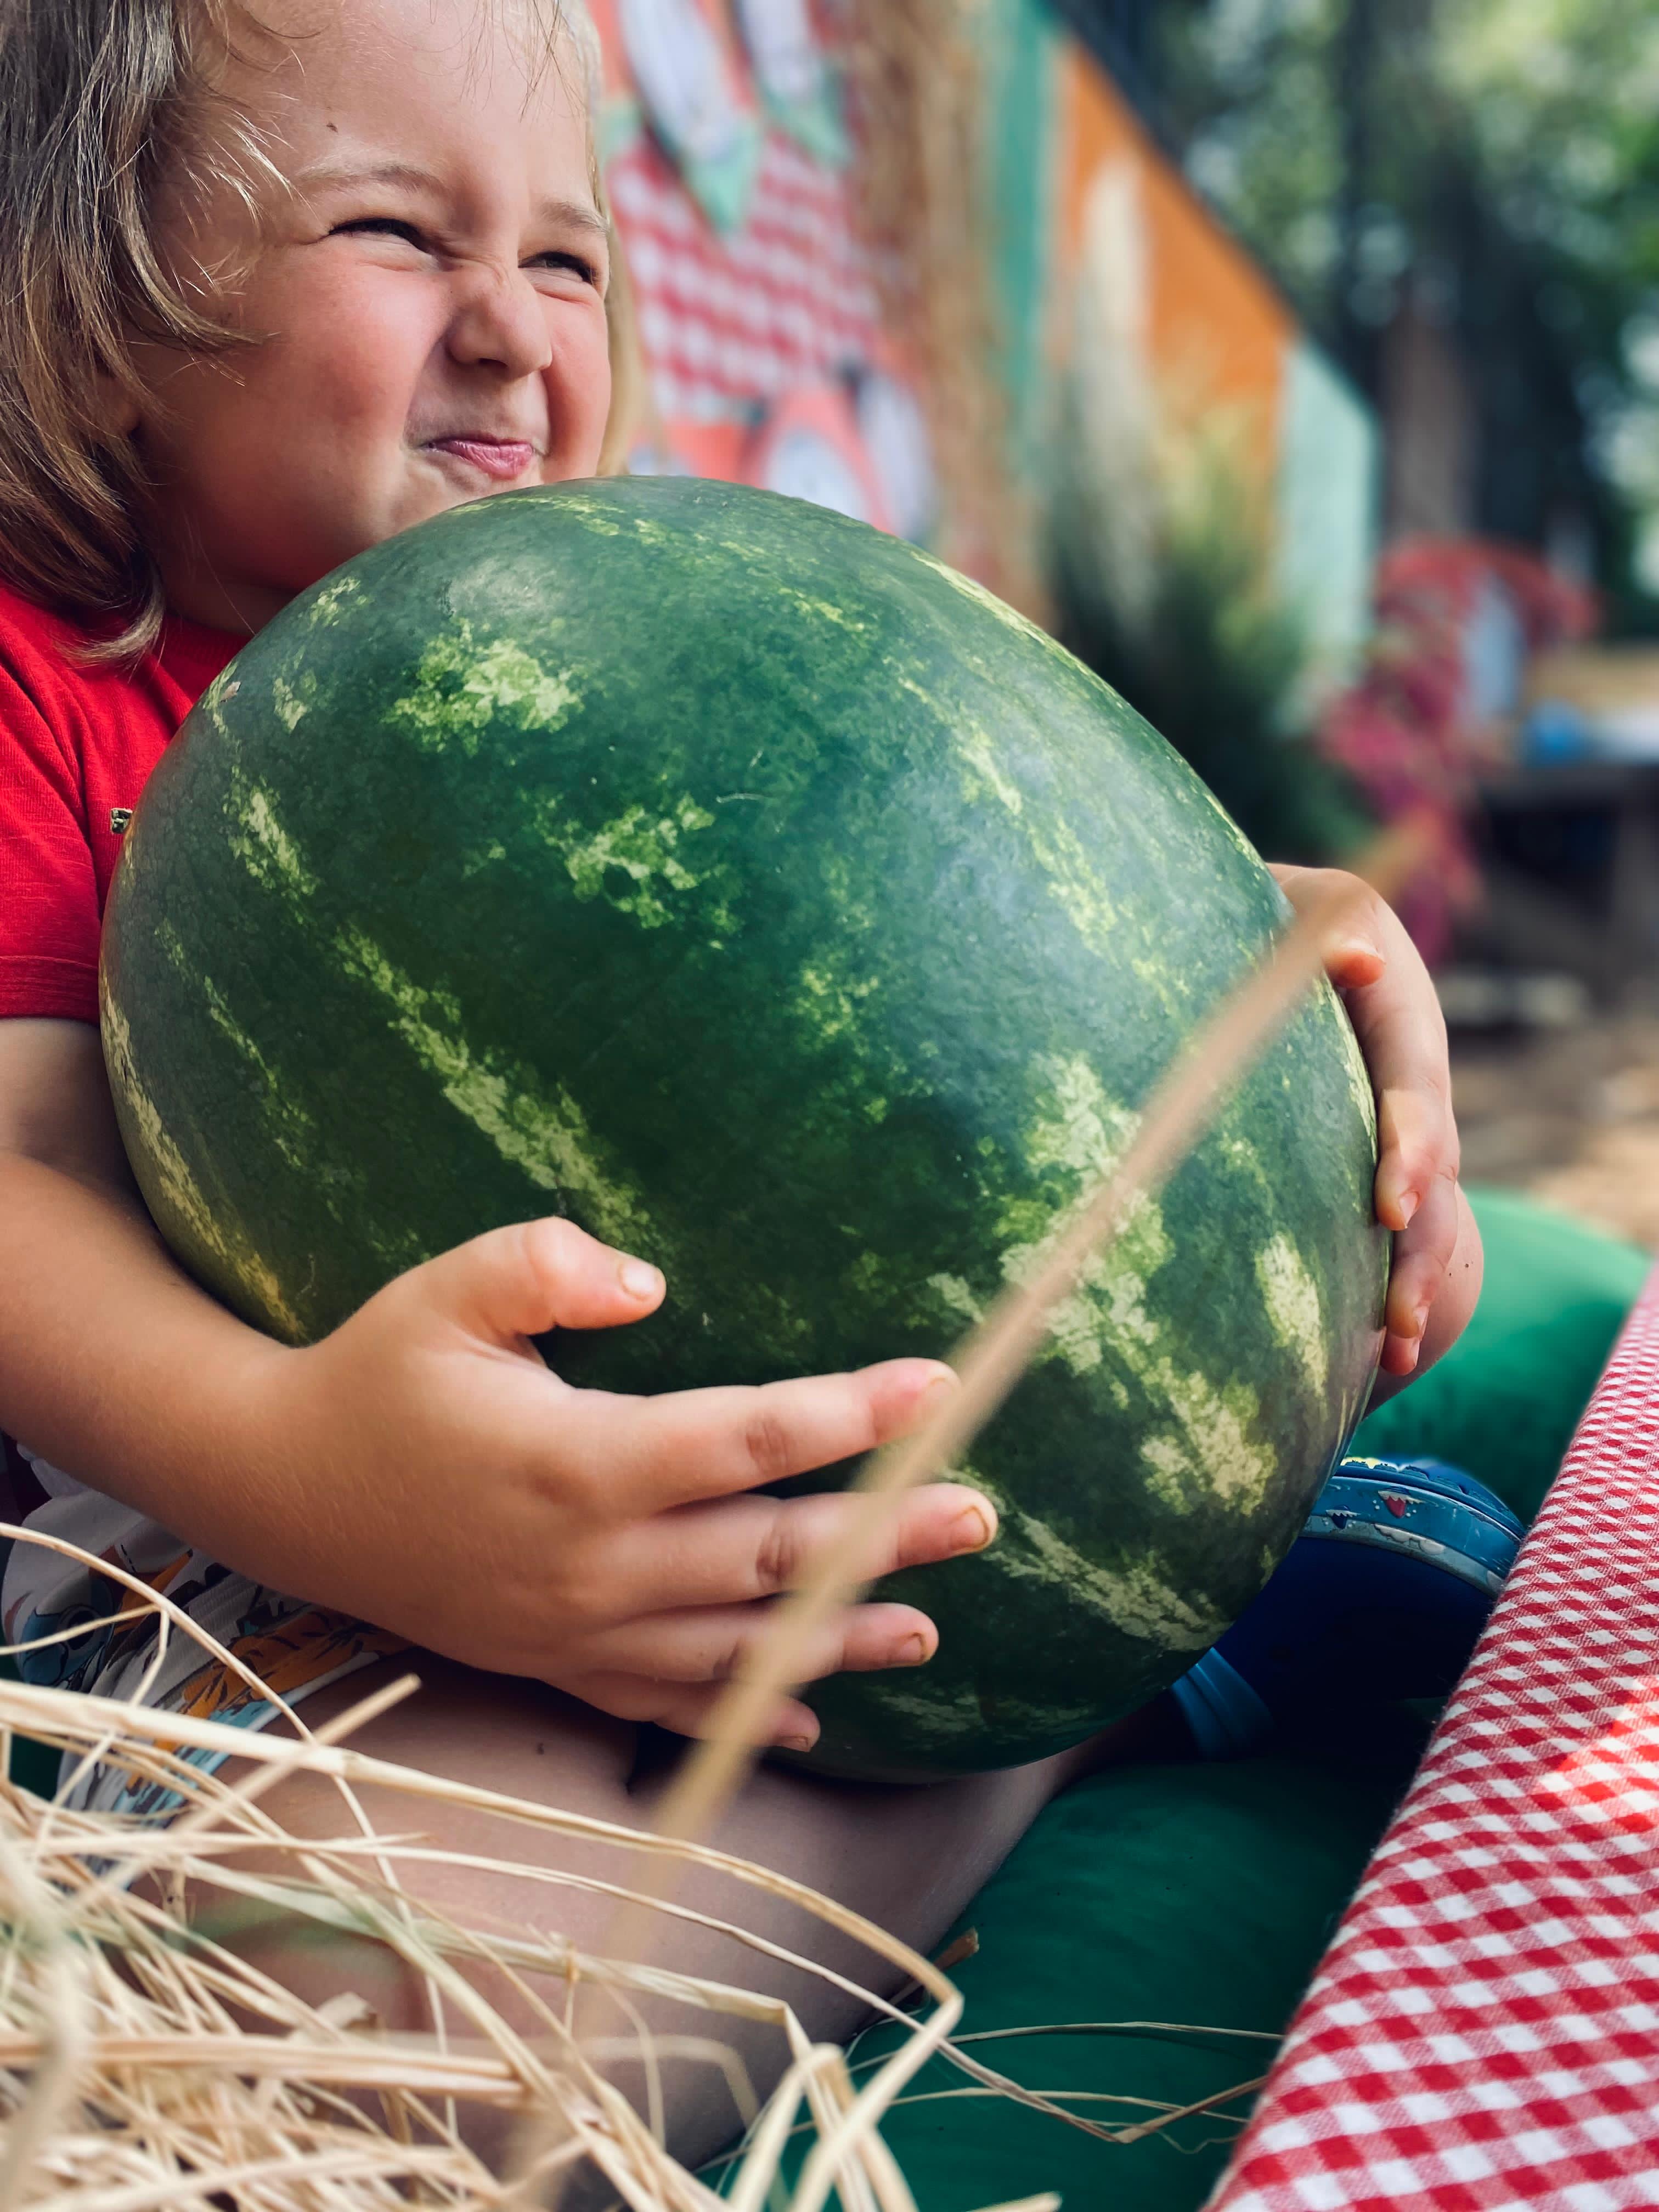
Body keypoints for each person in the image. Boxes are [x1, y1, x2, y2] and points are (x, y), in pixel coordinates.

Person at [0, 0, 1483, 2171]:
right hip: (245, 1581)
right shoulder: (42, 684)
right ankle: (1044, 1737)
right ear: (94, 311)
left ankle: (1090, 1665)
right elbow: (18, 1186)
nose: (514, 327)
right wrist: (307, 1470)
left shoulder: (650, 597)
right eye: (397, 233)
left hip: (722, 1557)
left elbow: (945, 886)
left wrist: (1250, 939)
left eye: (570, 258)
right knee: (338, 2008)